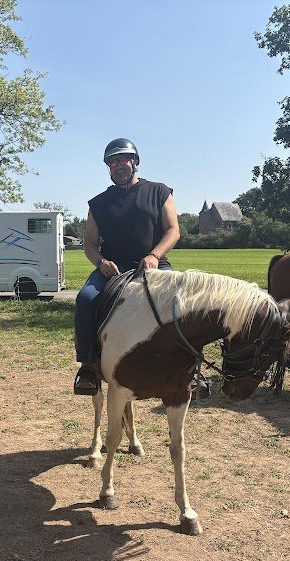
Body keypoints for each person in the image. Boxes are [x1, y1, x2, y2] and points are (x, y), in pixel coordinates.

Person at [73, 138, 181, 394]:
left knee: (181, 298)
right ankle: (87, 366)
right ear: (108, 167)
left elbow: (173, 230)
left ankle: (190, 367)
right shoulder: (97, 204)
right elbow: (89, 243)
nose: (118, 166)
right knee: (86, 298)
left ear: (135, 162)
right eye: (112, 162)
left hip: (154, 266)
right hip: (113, 270)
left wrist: (154, 255)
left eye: (123, 160)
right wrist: (100, 263)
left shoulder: (159, 191)